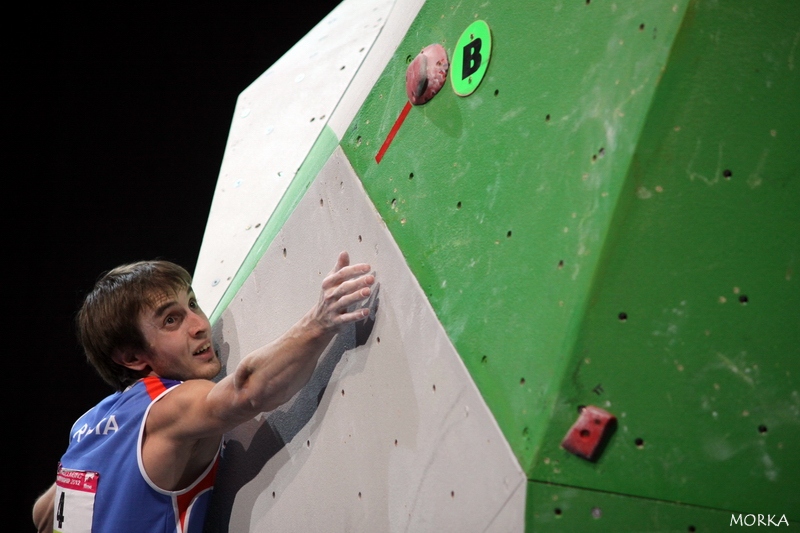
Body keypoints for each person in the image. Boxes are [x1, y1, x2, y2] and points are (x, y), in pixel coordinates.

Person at [32, 252, 374, 532]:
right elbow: (248, 390)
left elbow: (43, 514)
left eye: (192, 305)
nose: (199, 326)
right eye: (171, 320)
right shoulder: (168, 406)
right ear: (133, 357)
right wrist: (319, 321)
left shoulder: (87, 425)